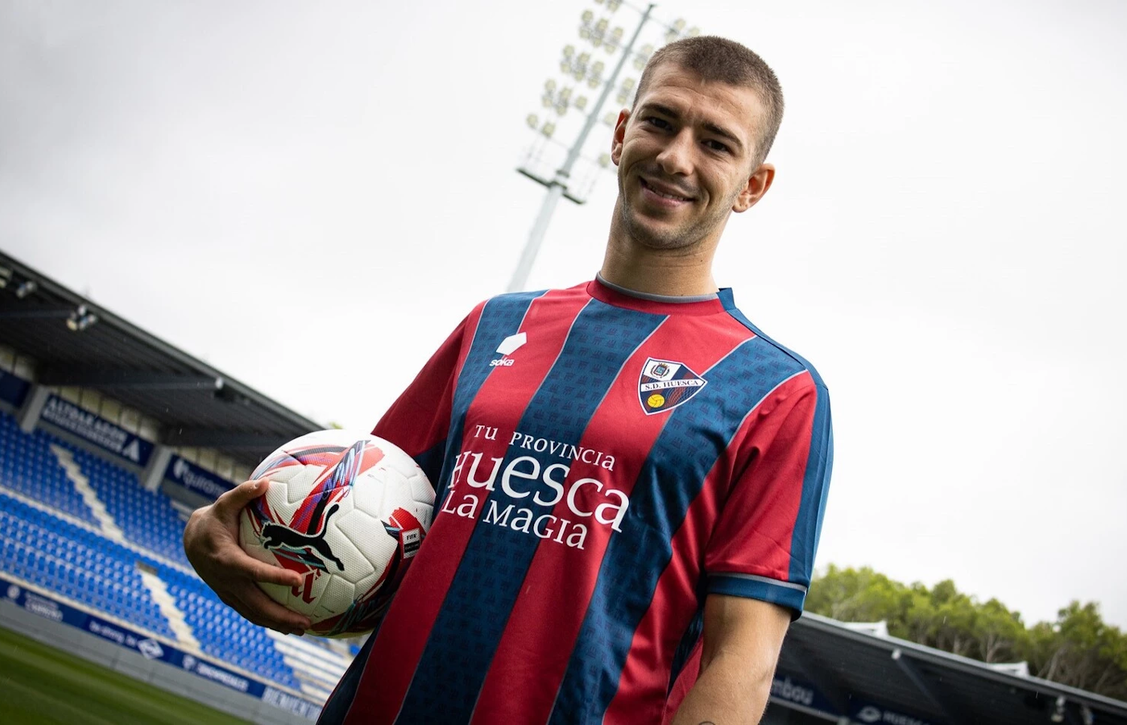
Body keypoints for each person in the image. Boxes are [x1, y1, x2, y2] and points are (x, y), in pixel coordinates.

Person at [185, 35, 833, 724]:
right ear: (620, 134)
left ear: (753, 186)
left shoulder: (774, 393)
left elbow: (743, 661)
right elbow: (358, 516)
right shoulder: (492, 327)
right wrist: (208, 534)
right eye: (660, 121)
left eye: (716, 143)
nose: (676, 157)